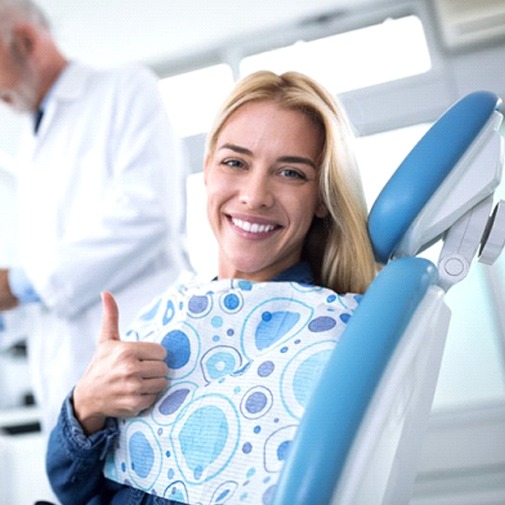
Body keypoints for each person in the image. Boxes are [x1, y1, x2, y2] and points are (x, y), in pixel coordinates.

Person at [46, 70, 377, 505]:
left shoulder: (329, 334)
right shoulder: (171, 313)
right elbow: (72, 488)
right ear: (207, 171)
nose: (255, 196)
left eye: (291, 173)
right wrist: (86, 406)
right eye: (235, 163)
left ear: (321, 197)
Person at [0, 0, 189, 432]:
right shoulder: (30, 146)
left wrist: (15, 284)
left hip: (141, 369)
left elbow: (148, 214)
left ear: (25, 41)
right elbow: (51, 283)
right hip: (70, 388)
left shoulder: (124, 90)